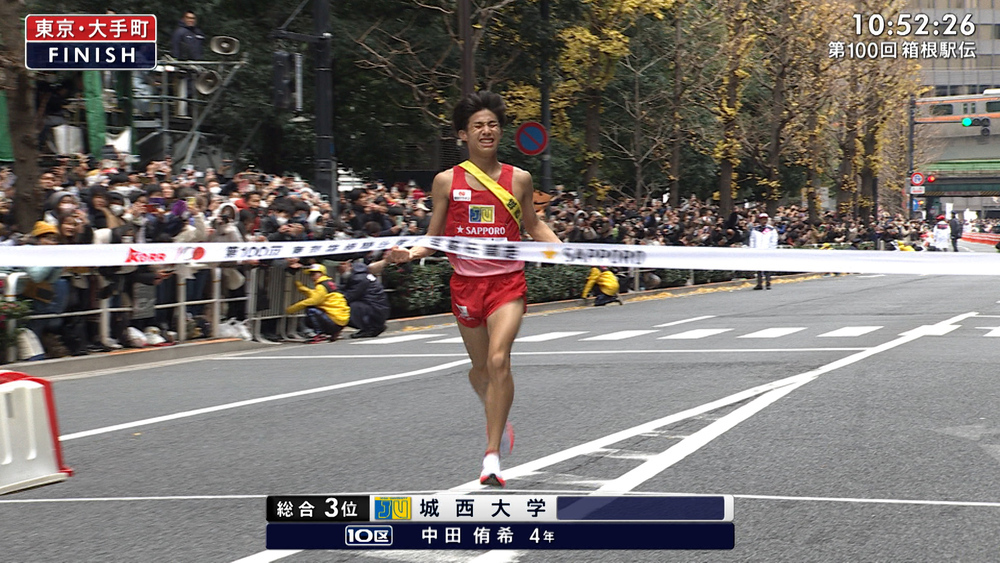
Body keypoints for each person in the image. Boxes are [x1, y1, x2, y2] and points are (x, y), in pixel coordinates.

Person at [383, 91, 562, 487]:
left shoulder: (520, 179)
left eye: (493, 124)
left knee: (499, 361)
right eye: (478, 125)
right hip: (465, 286)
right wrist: (408, 254)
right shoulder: (446, 181)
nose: (487, 131)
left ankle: (492, 456)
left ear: (501, 131)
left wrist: (565, 251)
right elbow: (433, 238)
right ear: (462, 134)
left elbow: (534, 226)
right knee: (481, 370)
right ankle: (495, 407)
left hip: (507, 284)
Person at [285, 264, 350, 343]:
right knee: (317, 310)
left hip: (334, 320)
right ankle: (334, 333)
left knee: (311, 310)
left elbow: (314, 300)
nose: (312, 277)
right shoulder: (329, 283)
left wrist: (291, 309)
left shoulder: (321, 286)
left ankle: (320, 334)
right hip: (341, 321)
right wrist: (302, 288)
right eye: (311, 274)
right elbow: (317, 295)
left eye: (314, 274)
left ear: (322, 273)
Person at [337, 260, 390, 338]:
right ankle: (371, 327)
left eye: (341, 265)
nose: (339, 269)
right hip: (377, 308)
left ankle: (371, 327)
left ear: (348, 265)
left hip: (374, 310)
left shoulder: (358, 278)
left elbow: (349, 296)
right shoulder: (361, 275)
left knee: (344, 308)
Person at [750, 212, 778, 290]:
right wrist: (752, 249)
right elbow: (752, 240)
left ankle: (768, 283)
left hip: (767, 250)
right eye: (762, 219)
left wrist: (771, 250)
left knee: (767, 267)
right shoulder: (755, 229)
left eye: (765, 219)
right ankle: (759, 283)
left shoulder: (771, 229)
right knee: (759, 268)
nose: (764, 221)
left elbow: (773, 241)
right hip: (758, 250)